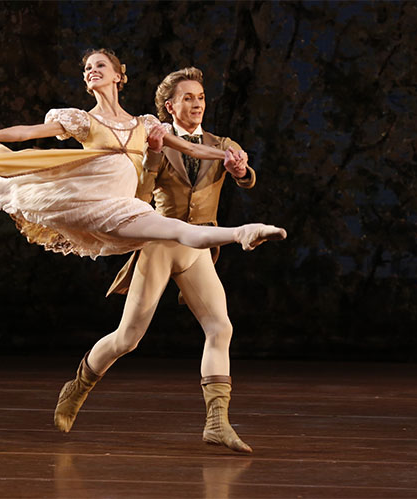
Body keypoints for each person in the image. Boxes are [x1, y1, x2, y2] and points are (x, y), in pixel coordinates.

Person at [54, 67, 262, 454]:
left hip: (199, 246)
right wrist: (151, 156)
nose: (197, 104)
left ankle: (217, 422)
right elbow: (139, 194)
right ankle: (78, 385)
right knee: (127, 338)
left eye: (200, 97)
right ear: (170, 106)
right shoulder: (158, 142)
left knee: (221, 327)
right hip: (162, 241)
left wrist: (241, 170)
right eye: (188, 98)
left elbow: (245, 176)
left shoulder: (220, 142)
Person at [0, 49, 285, 258]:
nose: (91, 71)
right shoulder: (82, 120)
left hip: (118, 205)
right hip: (79, 195)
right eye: (86, 68)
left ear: (119, 75)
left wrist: (227, 158)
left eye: (99, 66)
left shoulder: (146, 123)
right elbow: (31, 132)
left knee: (178, 231)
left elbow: (190, 146)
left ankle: (244, 235)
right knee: (2, 192)